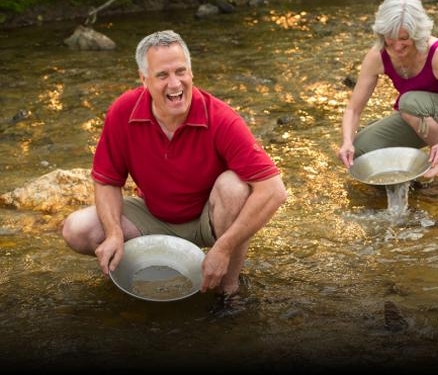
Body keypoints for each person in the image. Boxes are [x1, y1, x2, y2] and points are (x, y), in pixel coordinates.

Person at [62, 30, 288, 300]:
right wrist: (113, 233)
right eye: (162, 75)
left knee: (235, 186)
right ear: (144, 80)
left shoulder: (222, 119)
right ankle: (138, 272)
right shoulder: (123, 111)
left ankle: (230, 289)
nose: (175, 84)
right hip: (153, 214)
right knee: (77, 228)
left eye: (181, 71)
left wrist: (224, 247)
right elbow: (107, 181)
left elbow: (274, 191)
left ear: (191, 73)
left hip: (210, 219)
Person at [338, 0, 438, 178]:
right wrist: (346, 142)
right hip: (417, 116)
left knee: (408, 101)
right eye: (391, 38)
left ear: (418, 35)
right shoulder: (377, 56)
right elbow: (353, 110)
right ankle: (409, 174)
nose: (397, 46)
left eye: (405, 39)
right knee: (360, 151)